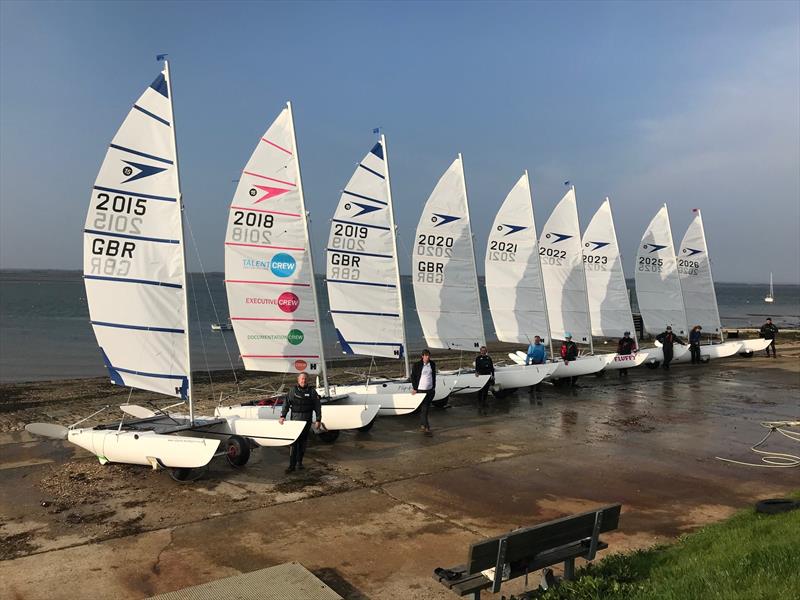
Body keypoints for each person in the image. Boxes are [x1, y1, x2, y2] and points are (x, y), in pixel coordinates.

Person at [279, 372, 322, 474]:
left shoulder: (312, 391)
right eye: (302, 379)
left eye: (305, 379)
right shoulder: (293, 391)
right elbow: (286, 403)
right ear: (298, 380)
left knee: (303, 443)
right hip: (295, 421)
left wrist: (318, 420)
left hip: (306, 421)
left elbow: (317, 406)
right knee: (294, 444)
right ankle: (291, 466)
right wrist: (282, 416)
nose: (304, 381)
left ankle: (300, 463)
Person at [411, 349, 436, 436]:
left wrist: (433, 387)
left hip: (430, 390)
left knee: (426, 409)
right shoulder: (417, 365)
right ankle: (427, 427)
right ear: (422, 356)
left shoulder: (432, 364)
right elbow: (413, 377)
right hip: (421, 390)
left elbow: (433, 376)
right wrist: (414, 388)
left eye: (428, 355)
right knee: (425, 408)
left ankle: (422, 424)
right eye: (426, 355)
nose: (427, 357)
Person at [474, 346, 495, 411]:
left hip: (487, 375)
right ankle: (479, 402)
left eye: (484, 350)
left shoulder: (488, 358)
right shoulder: (478, 358)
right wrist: (476, 372)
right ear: (480, 351)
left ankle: (484, 402)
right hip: (481, 375)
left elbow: (492, 367)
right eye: (482, 350)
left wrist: (493, 375)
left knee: (486, 390)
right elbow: (476, 366)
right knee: (480, 390)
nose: (483, 351)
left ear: (486, 351)